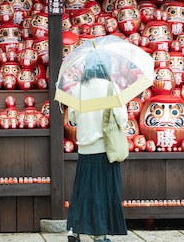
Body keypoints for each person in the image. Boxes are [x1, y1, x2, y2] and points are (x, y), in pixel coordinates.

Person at [65, 60, 128, 242]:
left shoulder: (78, 88)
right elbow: (122, 118)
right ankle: (99, 235)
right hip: (105, 149)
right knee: (103, 193)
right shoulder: (111, 87)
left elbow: (72, 119)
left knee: (82, 192)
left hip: (85, 150)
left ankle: (73, 231)